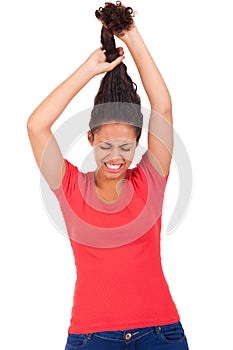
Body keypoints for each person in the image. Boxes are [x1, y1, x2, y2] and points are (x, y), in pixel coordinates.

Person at [26, 2, 189, 349]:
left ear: (137, 145)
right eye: (106, 146)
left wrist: (130, 35)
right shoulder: (70, 186)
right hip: (91, 337)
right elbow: (36, 125)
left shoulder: (150, 180)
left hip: (159, 333)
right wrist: (88, 69)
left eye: (126, 147)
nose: (116, 157)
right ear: (90, 139)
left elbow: (162, 107)